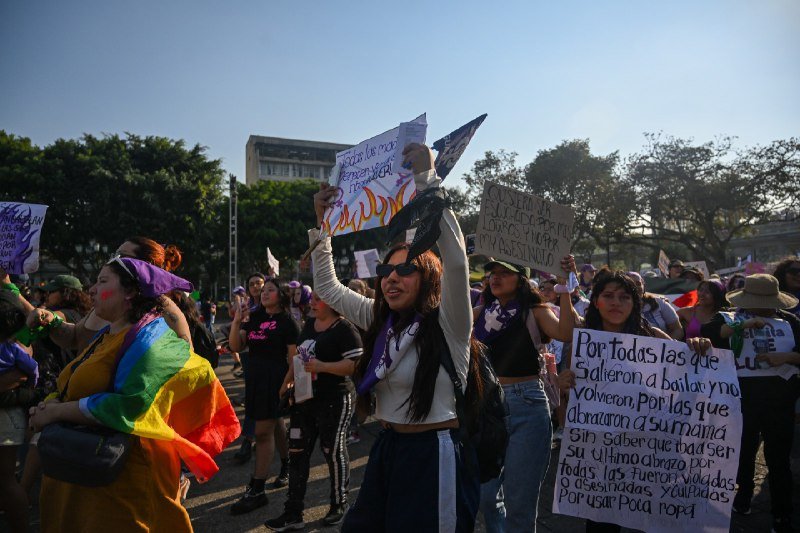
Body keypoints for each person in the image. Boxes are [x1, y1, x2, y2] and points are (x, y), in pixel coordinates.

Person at [310, 143, 479, 531]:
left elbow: (456, 262)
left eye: (405, 271)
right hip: (387, 448)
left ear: (428, 279)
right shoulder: (379, 320)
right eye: (386, 269)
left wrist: (428, 180)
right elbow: (328, 287)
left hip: (432, 455)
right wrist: (322, 226)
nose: (391, 277)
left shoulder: (450, 324)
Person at [27, 256, 240, 532]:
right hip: (80, 475)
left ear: (130, 292)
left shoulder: (153, 343)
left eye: (102, 281)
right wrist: (48, 404)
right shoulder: (105, 334)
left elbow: (130, 405)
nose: (91, 289)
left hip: (122, 486)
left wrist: (56, 412)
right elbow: (72, 381)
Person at [560, 271, 711, 533]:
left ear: (635, 303)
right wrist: (563, 382)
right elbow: (572, 395)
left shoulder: (652, 336)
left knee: (647, 514)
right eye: (608, 296)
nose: (616, 302)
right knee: (601, 518)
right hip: (600, 448)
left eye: (624, 297)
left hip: (647, 448)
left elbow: (685, 371)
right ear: (595, 302)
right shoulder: (584, 342)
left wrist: (697, 346)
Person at [477, 258, 576, 533]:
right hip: (488, 404)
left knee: (519, 503)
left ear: (521, 280)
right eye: (492, 273)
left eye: (504, 273)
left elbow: (566, 332)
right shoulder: (483, 312)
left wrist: (565, 287)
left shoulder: (536, 312)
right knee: (485, 495)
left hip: (528, 405)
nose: (495, 278)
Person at [701, 274, 800, 533]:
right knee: (743, 453)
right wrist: (741, 327)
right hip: (740, 401)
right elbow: (710, 335)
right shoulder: (728, 318)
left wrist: (787, 357)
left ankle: (782, 515)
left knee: (779, 461)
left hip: (780, 402)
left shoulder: (790, 321)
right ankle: (743, 497)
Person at [265, 291, 363, 530]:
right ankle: (293, 513)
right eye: (313, 297)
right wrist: (287, 381)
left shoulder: (345, 329)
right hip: (304, 398)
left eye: (319, 298)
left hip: (335, 399)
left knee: (332, 451)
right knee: (297, 452)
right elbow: (299, 356)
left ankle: (338, 505)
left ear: (333, 302)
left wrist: (323, 366)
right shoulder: (309, 323)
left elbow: (354, 365)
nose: (312, 302)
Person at [43, 237, 191, 354]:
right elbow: (75, 337)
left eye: (121, 256)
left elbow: (181, 366)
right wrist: (50, 320)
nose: (113, 260)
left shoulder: (165, 311)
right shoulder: (108, 304)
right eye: (114, 255)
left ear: (146, 265)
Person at [228, 277, 300, 515]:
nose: (265, 293)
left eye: (271, 290)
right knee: (275, 423)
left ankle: (257, 490)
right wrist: (237, 321)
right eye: (264, 290)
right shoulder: (255, 316)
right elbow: (236, 347)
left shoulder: (288, 322)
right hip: (255, 380)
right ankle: (287, 463)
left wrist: (288, 384)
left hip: (275, 380)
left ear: (281, 295)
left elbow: (293, 359)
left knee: (262, 432)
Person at [0, 292, 37, 533]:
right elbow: (31, 371)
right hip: (11, 416)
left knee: (4, 481)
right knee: (6, 480)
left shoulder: (14, 346)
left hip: (6, 416)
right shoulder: (13, 347)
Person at [627, 271, 683, 339]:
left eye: (638, 284)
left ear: (643, 285)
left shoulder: (659, 302)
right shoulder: (619, 307)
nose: (635, 287)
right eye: (631, 284)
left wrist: (667, 345)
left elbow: (677, 330)